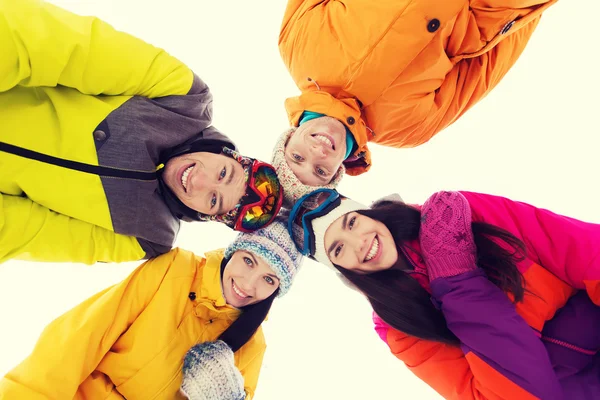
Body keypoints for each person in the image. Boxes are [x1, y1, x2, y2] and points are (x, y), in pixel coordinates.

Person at [0, 0, 283, 265]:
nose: (198, 181)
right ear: (224, 153)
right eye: (223, 173)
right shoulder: (181, 96)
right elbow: (53, 44)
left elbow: (24, 232)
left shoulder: (146, 236)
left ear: (205, 216)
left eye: (212, 200)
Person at [288, 189, 600, 399]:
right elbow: (513, 394)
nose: (359, 243)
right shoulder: (398, 328)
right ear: (341, 270)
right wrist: (457, 280)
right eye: (339, 249)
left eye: (352, 222)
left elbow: (576, 247)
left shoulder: (454, 215)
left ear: (369, 214)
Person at [272, 0, 558, 206]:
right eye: (321, 171)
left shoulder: (295, 46)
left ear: (288, 138)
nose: (317, 153)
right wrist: (522, 10)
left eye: (298, 157)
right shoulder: (407, 130)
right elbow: (482, 69)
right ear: (338, 170)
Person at [0, 216, 303, 399]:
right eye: (248, 261)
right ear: (233, 252)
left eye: (269, 279)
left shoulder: (251, 345)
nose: (249, 285)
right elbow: (83, 337)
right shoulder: (176, 268)